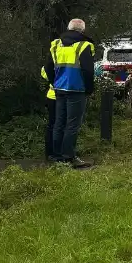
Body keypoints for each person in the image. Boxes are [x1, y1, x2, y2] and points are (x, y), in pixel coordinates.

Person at [46, 18, 96, 168]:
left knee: (59, 123)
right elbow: (88, 70)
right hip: (77, 89)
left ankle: (57, 155)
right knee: (72, 124)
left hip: (59, 89)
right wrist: (89, 89)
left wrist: (54, 82)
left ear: (69, 28)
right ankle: (69, 156)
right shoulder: (83, 45)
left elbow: (48, 67)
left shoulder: (56, 44)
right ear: (82, 30)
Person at [41, 57, 57, 161]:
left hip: (51, 96)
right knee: (59, 126)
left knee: (52, 125)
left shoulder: (52, 59)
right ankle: (56, 152)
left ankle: (50, 153)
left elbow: (44, 72)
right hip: (59, 97)